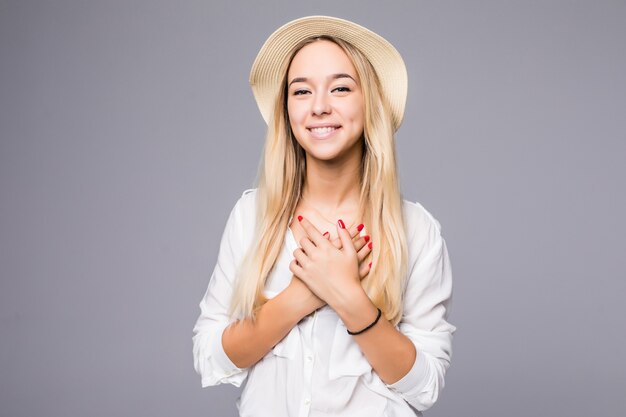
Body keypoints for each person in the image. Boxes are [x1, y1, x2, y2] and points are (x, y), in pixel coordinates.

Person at [192, 15, 455, 417]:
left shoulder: (415, 231)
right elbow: (210, 354)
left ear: (370, 102)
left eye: (341, 88)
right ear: (287, 110)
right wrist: (303, 294)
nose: (319, 106)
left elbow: (426, 387)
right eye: (301, 91)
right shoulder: (252, 216)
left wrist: (348, 296)